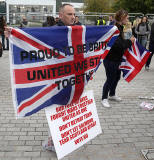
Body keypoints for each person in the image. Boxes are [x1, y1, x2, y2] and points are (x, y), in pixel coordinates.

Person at [101, 9, 135, 108]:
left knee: (116, 77)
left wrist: (129, 39)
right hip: (110, 58)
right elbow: (118, 45)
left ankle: (112, 94)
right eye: (127, 17)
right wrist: (130, 42)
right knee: (110, 78)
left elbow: (122, 42)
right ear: (122, 17)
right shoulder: (114, 28)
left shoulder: (120, 27)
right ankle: (104, 98)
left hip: (117, 58)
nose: (128, 19)